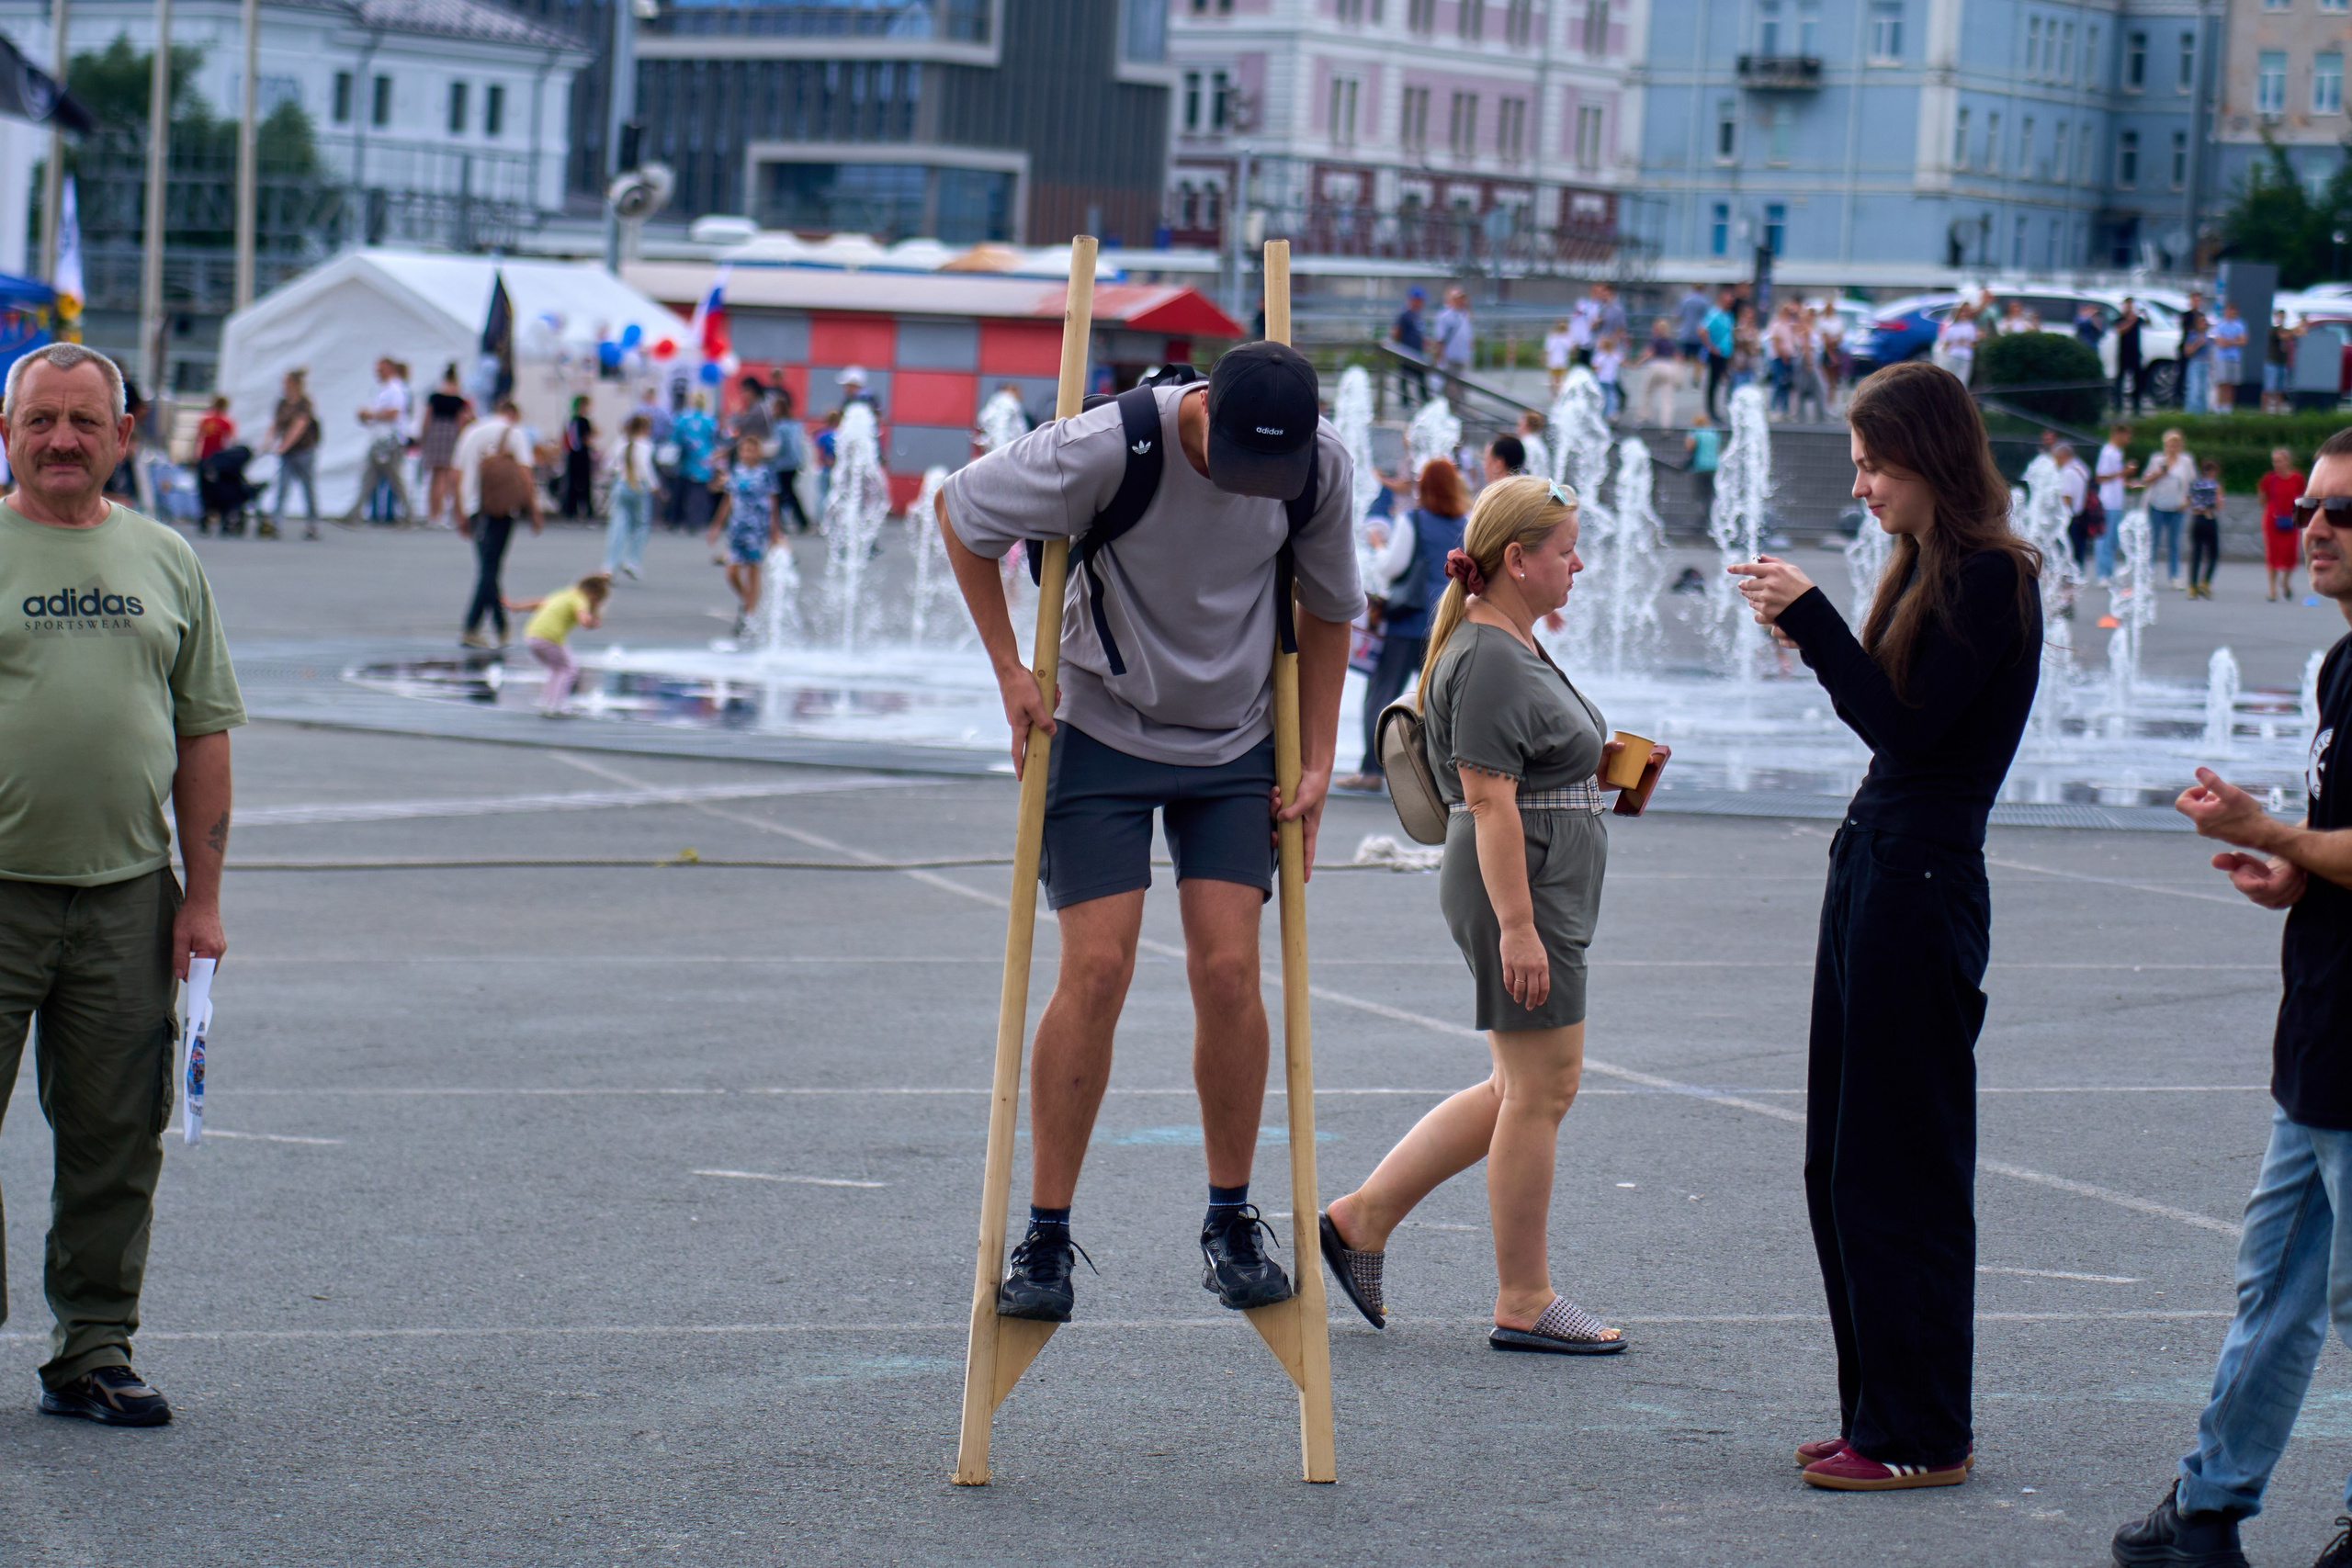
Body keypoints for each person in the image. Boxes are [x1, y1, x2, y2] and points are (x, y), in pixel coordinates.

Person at [933, 340, 1363, 1325]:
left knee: (1226, 971)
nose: (1253, 487)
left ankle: (1227, 1217)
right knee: (1098, 969)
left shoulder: (1318, 463)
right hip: (1101, 724)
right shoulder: (1104, 446)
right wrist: (1008, 668)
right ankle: (1044, 1233)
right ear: (1203, 413)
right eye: (1236, 466)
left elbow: (1332, 608)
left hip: (1236, 741)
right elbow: (958, 512)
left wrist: (1317, 757)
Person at [1729, 361, 2043, 1492]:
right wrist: (1818, 627)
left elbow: (1907, 732)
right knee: (1840, 1161)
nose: (1861, 486)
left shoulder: (1994, 578)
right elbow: (1891, 724)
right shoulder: (1932, 569)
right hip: (1875, 867)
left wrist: (1811, 621)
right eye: (1857, 465)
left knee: (1895, 1165)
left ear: (1931, 457)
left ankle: (1918, 1433)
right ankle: (1880, 1407)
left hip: (1919, 880)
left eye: (1874, 464)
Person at [1320, 473, 1665, 1357]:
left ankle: (1362, 1218)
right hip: (1525, 891)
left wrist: (1606, 767)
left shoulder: (1508, 642)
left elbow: (1527, 773)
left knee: (1520, 1087)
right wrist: (1518, 926)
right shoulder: (1488, 657)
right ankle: (1524, 1297)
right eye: (1563, 551)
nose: (1578, 564)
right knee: (1542, 1090)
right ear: (1517, 561)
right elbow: (1490, 802)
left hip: (1541, 882)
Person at [2108, 426, 2352, 1568]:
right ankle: (2205, 1510)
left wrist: (2269, 830)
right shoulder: (2344, 664)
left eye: (2343, 513)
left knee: (2339, 1299)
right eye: (2310, 506)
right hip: (2321, 1026)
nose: (2315, 529)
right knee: (2275, 1290)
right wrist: (2286, 862)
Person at [0, 342, 244, 1427]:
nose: (61, 439)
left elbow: (202, 731)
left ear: (124, 436)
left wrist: (202, 899)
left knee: (112, 1137)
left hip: (126, 899)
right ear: (7, 431)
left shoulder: (166, 558)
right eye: (40, 419)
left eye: (83, 422)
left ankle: (93, 1350)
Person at [1337, 459, 1469, 795]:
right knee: (1440, 701)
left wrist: (1379, 547)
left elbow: (1392, 568)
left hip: (1407, 622)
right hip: (1446, 622)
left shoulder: (1413, 520)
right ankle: (1444, 776)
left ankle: (1371, 771)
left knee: (1382, 695)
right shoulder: (1466, 525)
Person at [453, 396, 543, 649]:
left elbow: (456, 473)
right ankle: (489, 627)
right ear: (513, 414)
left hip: (474, 507)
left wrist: (459, 510)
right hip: (502, 510)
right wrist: (534, 508)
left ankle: (480, 627)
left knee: (487, 567)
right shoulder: (514, 433)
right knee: (491, 568)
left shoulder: (471, 432)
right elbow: (525, 473)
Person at [707, 434, 780, 637]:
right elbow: (728, 500)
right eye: (744, 450)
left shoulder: (765, 473)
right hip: (737, 527)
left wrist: (775, 531)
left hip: (757, 528)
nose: (748, 454)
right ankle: (747, 600)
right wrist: (716, 526)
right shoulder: (736, 472)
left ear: (758, 452)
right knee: (732, 572)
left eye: (751, 450)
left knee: (753, 571)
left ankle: (749, 616)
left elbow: (773, 502)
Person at [510, 571, 610, 716]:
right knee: (568, 668)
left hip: (532, 635)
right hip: (548, 636)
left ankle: (548, 703)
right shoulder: (580, 599)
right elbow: (583, 617)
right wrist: (590, 623)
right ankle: (556, 706)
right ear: (594, 595)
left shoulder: (564, 594)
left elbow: (538, 603)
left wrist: (516, 607)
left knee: (556, 668)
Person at [348, 356, 413, 525]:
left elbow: (394, 413)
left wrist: (372, 414)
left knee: (395, 480)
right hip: (381, 439)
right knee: (370, 478)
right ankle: (355, 513)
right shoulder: (384, 390)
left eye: (380, 370)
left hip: (390, 441)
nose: (377, 373)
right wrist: (368, 417)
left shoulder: (395, 389)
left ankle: (408, 514)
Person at [2135, 429, 2197, 590]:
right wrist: (2159, 473)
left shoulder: (2186, 462)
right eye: (2170, 444)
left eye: (2176, 444)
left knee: (2174, 543)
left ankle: (2174, 576)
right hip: (2157, 506)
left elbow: (2192, 483)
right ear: (2165, 445)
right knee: (2153, 541)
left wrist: (2188, 501)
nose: (2173, 447)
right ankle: (2150, 575)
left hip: (2177, 507)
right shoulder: (2157, 460)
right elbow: (2145, 480)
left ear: (2181, 445)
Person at [601, 413, 658, 581]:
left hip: (621, 484)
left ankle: (609, 565)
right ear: (644, 429)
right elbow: (645, 468)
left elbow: (607, 465)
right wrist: (654, 486)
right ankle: (632, 560)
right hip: (638, 486)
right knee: (641, 525)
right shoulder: (645, 445)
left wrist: (619, 470)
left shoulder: (620, 442)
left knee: (617, 525)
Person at [267, 368, 321, 540]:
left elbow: (299, 426)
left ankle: (312, 524)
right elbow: (276, 425)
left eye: (287, 382)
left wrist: (284, 445)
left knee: (307, 487)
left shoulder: (304, 403)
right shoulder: (282, 403)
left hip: (303, 450)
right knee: (282, 487)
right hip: (288, 454)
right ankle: (276, 523)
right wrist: (267, 442)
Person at [418, 364, 472, 530]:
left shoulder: (434, 396)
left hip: (435, 432)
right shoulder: (459, 400)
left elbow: (426, 418)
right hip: (450, 434)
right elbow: (461, 421)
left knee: (435, 476)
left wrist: (423, 436)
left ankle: (432, 514)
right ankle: (443, 514)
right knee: (447, 476)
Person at [2264, 446, 2311, 603]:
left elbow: (2302, 496)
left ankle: (2285, 581)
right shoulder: (2269, 478)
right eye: (2274, 461)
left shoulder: (2297, 477)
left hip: (2291, 518)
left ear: (2288, 461)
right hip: (2273, 519)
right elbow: (2263, 498)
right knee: (2273, 554)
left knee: (2290, 554)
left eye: (2280, 460)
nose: (2276, 464)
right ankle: (2272, 589)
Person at [670, 391, 718, 534]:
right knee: (699, 494)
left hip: (685, 462)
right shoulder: (710, 420)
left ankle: (675, 520)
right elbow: (714, 440)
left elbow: (674, 438)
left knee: (680, 493)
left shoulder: (682, 418)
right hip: (703, 462)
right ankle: (695, 521)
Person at [770, 386, 813, 536]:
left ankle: (787, 521)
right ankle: (791, 521)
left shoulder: (779, 426)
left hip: (782, 464)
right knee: (788, 493)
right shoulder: (794, 424)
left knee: (783, 493)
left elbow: (778, 446)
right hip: (793, 463)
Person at [2096, 424, 2135, 584]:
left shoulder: (2117, 452)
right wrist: (2123, 472)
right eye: (2126, 436)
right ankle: (2102, 574)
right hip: (2108, 501)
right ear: (2118, 434)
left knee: (2112, 538)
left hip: (2116, 500)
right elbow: (2101, 477)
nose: (2128, 440)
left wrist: (2125, 480)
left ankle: (2108, 571)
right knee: (2105, 538)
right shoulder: (2108, 452)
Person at [2053, 442, 2098, 575]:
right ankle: (2078, 572)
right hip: (2084, 513)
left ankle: (2071, 574)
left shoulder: (2068, 472)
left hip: (2071, 516)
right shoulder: (2082, 468)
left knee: (2070, 548)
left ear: (2062, 456)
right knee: (2080, 547)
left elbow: (2067, 497)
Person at [2188, 458, 2223, 600]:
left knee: (2196, 553)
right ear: (2214, 471)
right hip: (2209, 519)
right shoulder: (2216, 485)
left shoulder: (2194, 485)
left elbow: (2189, 501)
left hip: (2196, 519)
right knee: (2213, 554)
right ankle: (2205, 582)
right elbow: (2219, 504)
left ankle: (2192, 586)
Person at [1639, 316, 1683, 426]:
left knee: (1648, 391)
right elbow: (1678, 356)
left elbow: (1649, 353)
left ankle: (1645, 416)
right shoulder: (1671, 342)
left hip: (1656, 365)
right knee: (1667, 398)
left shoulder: (1655, 340)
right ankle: (1666, 424)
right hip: (1669, 366)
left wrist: (1638, 362)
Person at [1434, 287, 1476, 400]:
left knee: (1462, 384)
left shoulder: (1464, 315)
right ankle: (1450, 407)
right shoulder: (1445, 316)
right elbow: (1440, 338)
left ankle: (1461, 406)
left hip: (1462, 356)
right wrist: (1440, 357)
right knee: (1449, 385)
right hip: (1450, 356)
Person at [560, 396, 596, 522]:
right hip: (582, 455)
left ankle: (571, 510)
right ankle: (587, 510)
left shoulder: (571, 421)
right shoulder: (583, 421)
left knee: (572, 482)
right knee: (585, 483)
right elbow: (586, 438)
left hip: (572, 455)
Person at [1391, 286, 1429, 406]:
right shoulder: (1405, 315)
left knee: (1421, 380)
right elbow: (1396, 332)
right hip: (1407, 353)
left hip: (1418, 354)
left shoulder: (1418, 316)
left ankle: (1425, 403)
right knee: (1405, 379)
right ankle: (1405, 403)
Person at [1702, 288, 1736, 423]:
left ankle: (1724, 410)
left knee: (1724, 382)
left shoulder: (1729, 315)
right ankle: (1711, 411)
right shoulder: (1714, 313)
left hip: (1726, 354)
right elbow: (1702, 330)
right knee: (1713, 383)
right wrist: (1711, 346)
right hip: (1717, 354)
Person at [2212, 303, 2249, 415]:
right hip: (2222, 358)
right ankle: (2219, 406)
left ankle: (2228, 407)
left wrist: (2228, 341)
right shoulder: (2220, 324)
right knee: (2222, 382)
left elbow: (2243, 341)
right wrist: (2234, 340)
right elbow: (2219, 342)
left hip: (2235, 358)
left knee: (2231, 383)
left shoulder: (2240, 325)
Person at [2180, 291, 2212, 414]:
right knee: (2193, 387)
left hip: (2204, 362)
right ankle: (2190, 411)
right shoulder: (2188, 319)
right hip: (2194, 360)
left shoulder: (2205, 335)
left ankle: (2201, 412)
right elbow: (2187, 349)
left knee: (2202, 389)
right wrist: (2198, 342)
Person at [1937, 301, 1980, 389]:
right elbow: (1945, 343)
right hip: (1953, 355)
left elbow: (1973, 342)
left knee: (1963, 379)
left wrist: (1965, 343)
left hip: (1966, 356)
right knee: (1953, 377)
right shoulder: (1952, 327)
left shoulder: (1970, 326)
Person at [2267, 310, 2301, 416]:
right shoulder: (2273, 329)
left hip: (2283, 362)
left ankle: (2278, 410)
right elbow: (2283, 336)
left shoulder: (2285, 330)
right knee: (2269, 388)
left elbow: (2295, 333)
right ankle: (2266, 410)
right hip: (2273, 362)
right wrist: (2297, 327)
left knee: (2280, 389)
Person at [2116, 299, 2146, 414]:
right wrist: (2130, 320)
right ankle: (2118, 406)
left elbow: (2147, 323)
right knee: (2120, 380)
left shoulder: (2137, 319)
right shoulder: (2121, 318)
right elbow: (2120, 330)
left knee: (2137, 380)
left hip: (2135, 353)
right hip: (2124, 353)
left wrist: (2144, 313)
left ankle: (2136, 407)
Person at [1687, 412, 1720, 514]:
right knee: (1711, 492)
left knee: (1700, 493)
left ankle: (1701, 515)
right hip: (1713, 465)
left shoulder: (1695, 432)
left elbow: (1689, 446)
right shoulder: (1713, 432)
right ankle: (1711, 513)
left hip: (1700, 466)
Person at [1593, 333, 1624, 422]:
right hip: (1611, 380)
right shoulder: (1616, 355)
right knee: (1612, 398)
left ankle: (1604, 415)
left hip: (1601, 379)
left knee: (1604, 398)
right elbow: (1622, 362)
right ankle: (1611, 415)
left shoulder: (1599, 356)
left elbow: (1595, 368)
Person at [1516, 411, 1552, 483]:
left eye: (1519, 425)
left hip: (1531, 485)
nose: (1517, 428)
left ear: (1526, 425)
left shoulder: (1526, 444)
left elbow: (1526, 468)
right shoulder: (1539, 444)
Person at [1543, 318, 1573, 395]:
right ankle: (1553, 394)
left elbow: (1570, 349)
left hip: (1562, 362)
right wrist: (1544, 358)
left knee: (1561, 381)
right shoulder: (1552, 337)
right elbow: (1548, 349)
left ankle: (1559, 394)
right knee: (1552, 380)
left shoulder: (1567, 337)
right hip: (1553, 362)